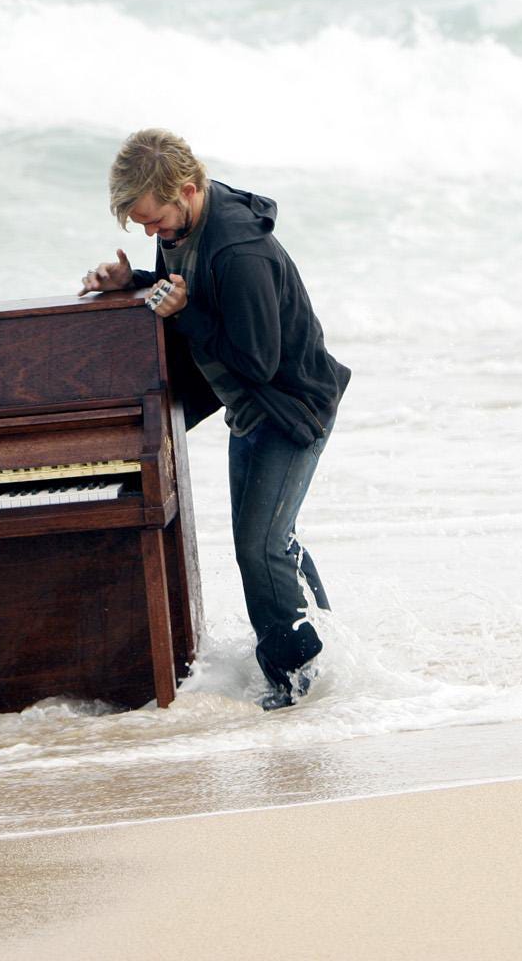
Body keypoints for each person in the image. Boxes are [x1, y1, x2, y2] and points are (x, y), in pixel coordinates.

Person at [80, 128, 351, 710]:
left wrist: (185, 312)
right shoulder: (185, 223)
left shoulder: (238, 249)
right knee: (272, 541)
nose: (153, 233)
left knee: (260, 548)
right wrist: (138, 284)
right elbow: (190, 293)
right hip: (251, 407)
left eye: (155, 221)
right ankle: (328, 658)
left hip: (292, 407)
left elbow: (258, 358)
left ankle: (294, 684)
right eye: (143, 226)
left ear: (185, 188)